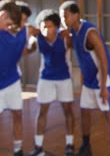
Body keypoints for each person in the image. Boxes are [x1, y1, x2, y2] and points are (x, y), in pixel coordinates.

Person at [59, 1, 110, 156]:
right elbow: (77, 46)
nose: (63, 20)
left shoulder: (90, 33)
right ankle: (86, 146)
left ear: (75, 15)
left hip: (102, 78)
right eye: (62, 17)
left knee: (108, 114)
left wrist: (104, 87)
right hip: (89, 79)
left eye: (65, 16)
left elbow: (104, 60)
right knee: (84, 111)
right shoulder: (74, 31)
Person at [28, 9, 75, 156]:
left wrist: (71, 35)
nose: (46, 29)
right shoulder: (37, 38)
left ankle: (69, 144)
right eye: (43, 26)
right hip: (46, 78)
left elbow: (78, 46)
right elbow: (28, 49)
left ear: (56, 26)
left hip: (63, 78)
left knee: (68, 110)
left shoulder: (65, 37)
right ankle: (38, 146)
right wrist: (29, 34)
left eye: (49, 26)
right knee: (42, 112)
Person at [0, 0, 26, 156]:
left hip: (12, 81)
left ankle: (18, 150)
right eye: (8, 23)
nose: (9, 27)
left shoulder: (19, 33)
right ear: (2, 15)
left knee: (18, 113)